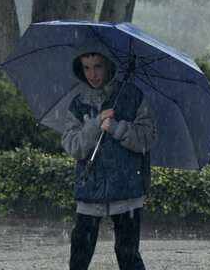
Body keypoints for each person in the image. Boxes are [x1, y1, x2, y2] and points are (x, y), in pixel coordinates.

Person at [62, 49, 157, 270]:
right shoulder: (78, 104)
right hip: (90, 189)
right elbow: (73, 146)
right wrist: (95, 124)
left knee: (128, 255)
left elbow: (148, 138)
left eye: (98, 66)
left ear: (109, 66)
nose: (92, 74)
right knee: (79, 255)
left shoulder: (132, 97)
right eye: (86, 67)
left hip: (127, 190)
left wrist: (116, 128)